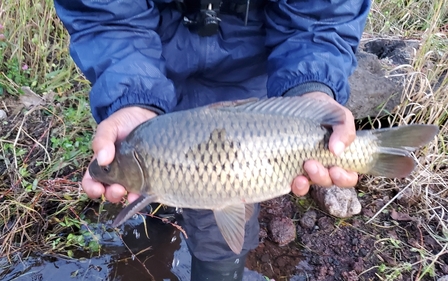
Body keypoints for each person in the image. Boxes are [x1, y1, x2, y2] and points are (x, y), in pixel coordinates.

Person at [54, 0, 370, 280]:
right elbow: (106, 15)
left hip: (250, 78)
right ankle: (160, 230)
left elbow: (321, 13)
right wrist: (131, 98)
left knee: (219, 232)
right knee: (166, 200)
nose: (104, 167)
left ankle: (217, 268)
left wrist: (310, 89)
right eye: (109, 168)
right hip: (150, 73)